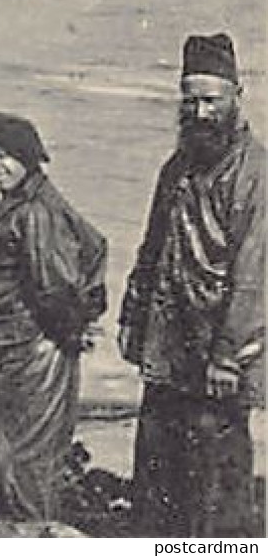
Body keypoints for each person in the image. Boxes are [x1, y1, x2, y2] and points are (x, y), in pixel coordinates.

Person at [119, 32, 264, 537]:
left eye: (210, 101)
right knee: (158, 468)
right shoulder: (175, 168)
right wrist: (132, 317)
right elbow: (150, 248)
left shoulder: (256, 175)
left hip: (219, 354)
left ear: (235, 96)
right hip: (168, 346)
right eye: (191, 101)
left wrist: (228, 356)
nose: (200, 113)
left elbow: (253, 277)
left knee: (215, 482)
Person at [0, 112, 107, 522]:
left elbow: (52, 286)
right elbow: (93, 246)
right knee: (19, 451)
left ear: (28, 156)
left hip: (34, 347)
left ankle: (31, 534)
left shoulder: (34, 211)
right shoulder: (27, 200)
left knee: (25, 456)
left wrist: (73, 326)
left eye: (3, 156)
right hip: (24, 342)